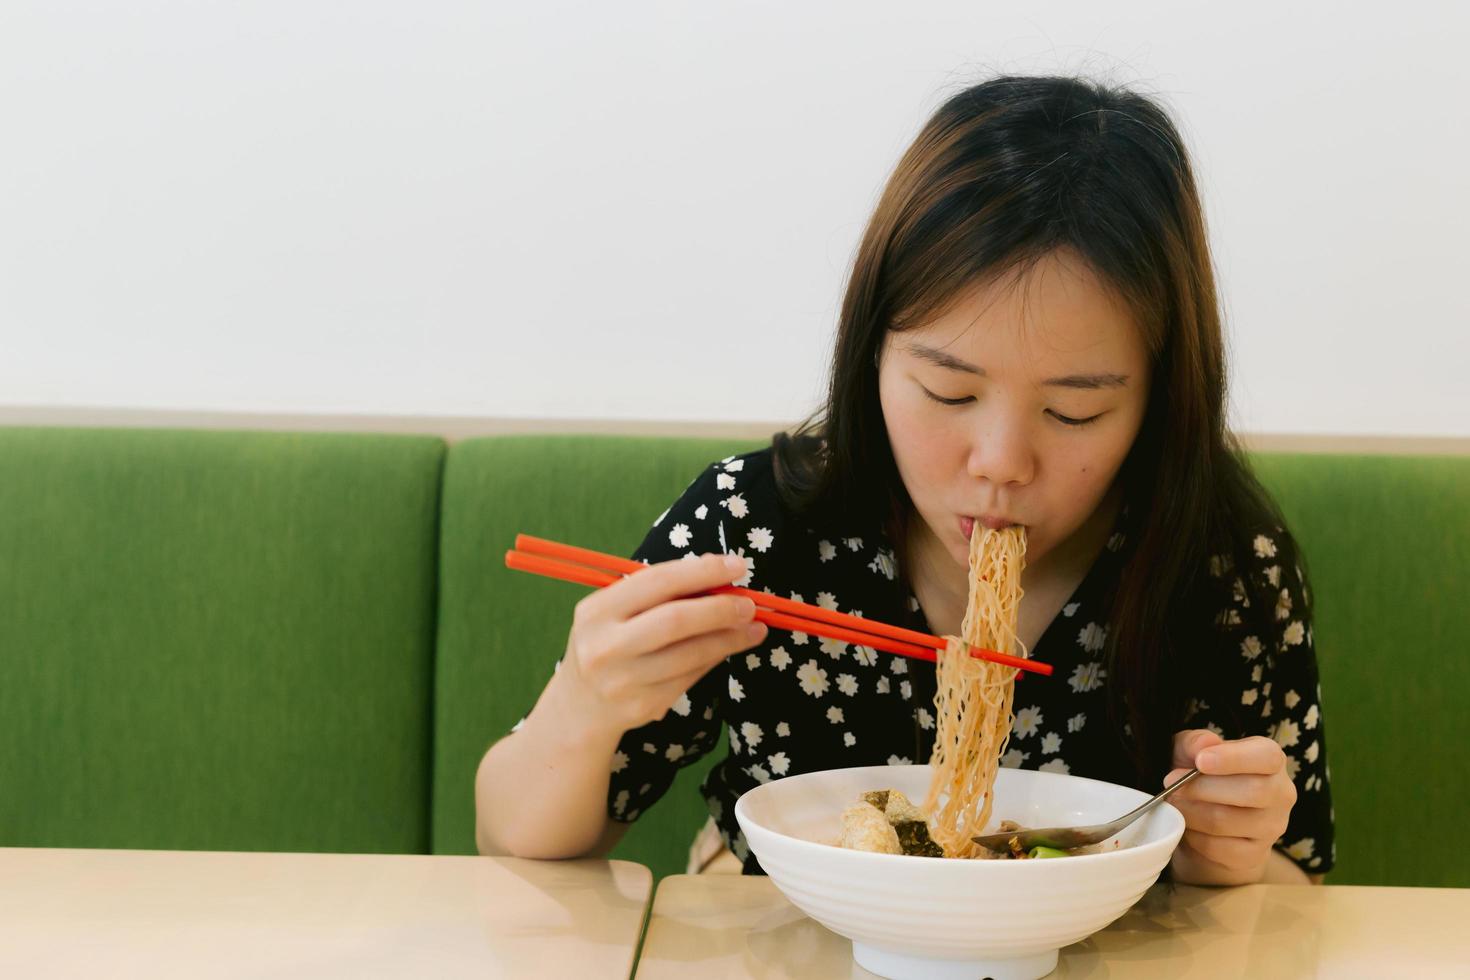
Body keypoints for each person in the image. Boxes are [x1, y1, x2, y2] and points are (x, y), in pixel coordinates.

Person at [475, 74, 1333, 886]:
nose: (999, 460)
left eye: (1074, 412)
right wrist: (582, 706)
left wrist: (1233, 855)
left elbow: (1301, 886)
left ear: (1159, 398)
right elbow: (514, 840)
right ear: (872, 355)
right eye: (947, 390)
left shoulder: (1219, 565)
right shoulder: (758, 529)